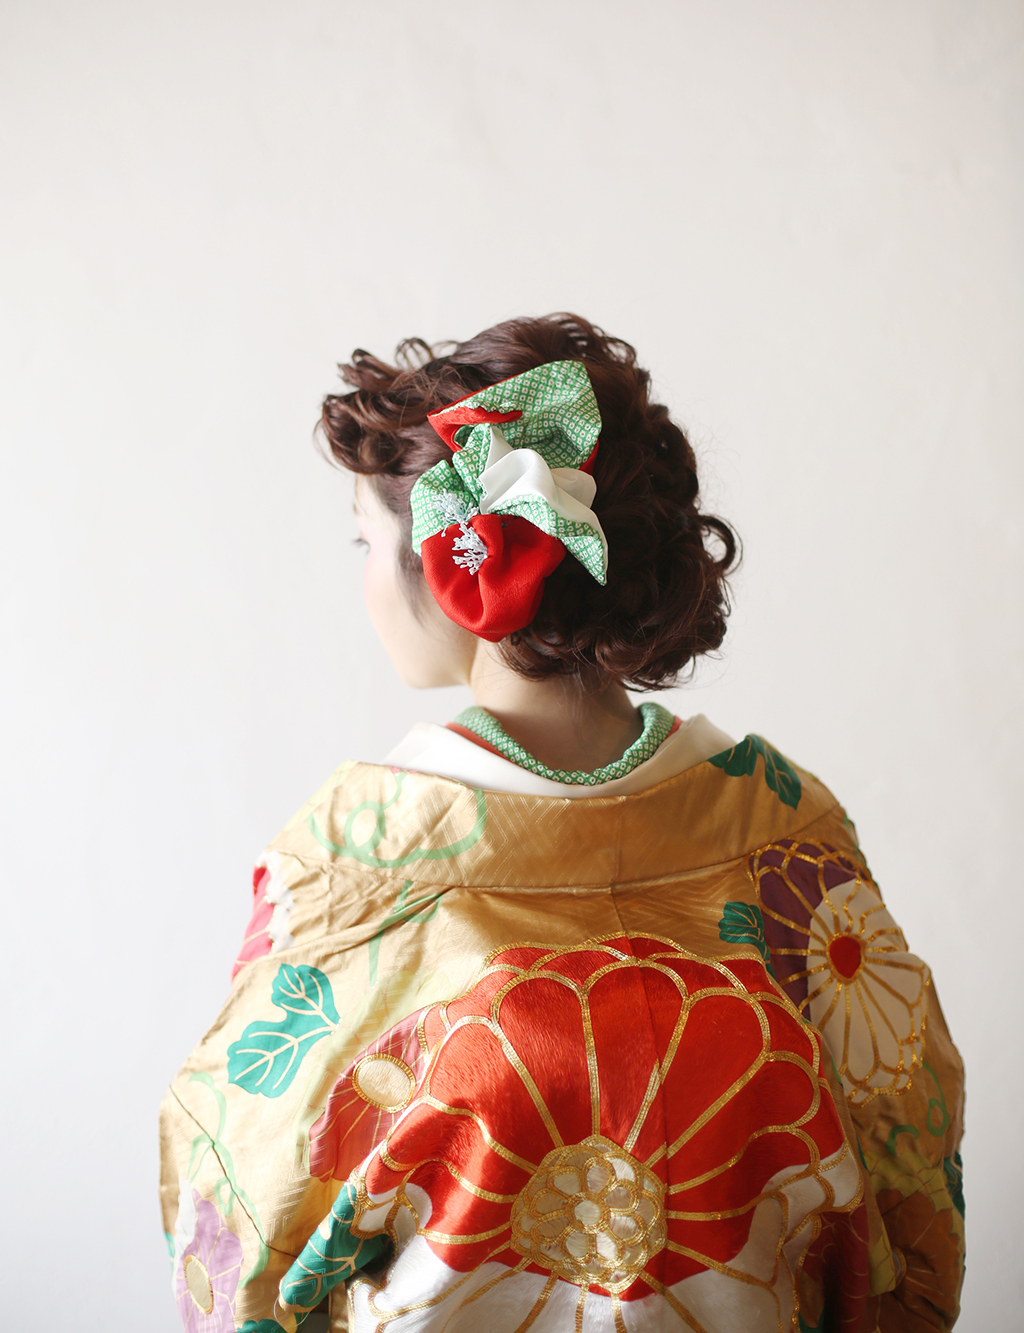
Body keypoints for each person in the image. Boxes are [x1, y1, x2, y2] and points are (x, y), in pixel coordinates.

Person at [160, 314, 965, 1333]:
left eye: (367, 542)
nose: (364, 576)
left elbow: (238, 1197)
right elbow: (911, 1169)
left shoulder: (349, 861)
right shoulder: (788, 833)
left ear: (456, 564)